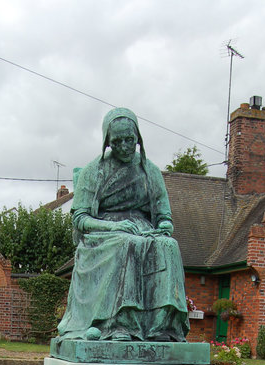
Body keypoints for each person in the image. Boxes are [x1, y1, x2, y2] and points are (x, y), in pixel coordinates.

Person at [57, 107, 189, 342]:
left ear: (138, 138)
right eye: (118, 141)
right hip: (104, 232)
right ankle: (120, 323)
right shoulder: (93, 171)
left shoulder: (151, 171)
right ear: (108, 142)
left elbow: (163, 214)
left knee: (169, 246)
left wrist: (165, 225)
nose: (125, 146)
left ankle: (162, 326)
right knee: (127, 244)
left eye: (130, 140)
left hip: (144, 228)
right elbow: (80, 219)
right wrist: (113, 227)